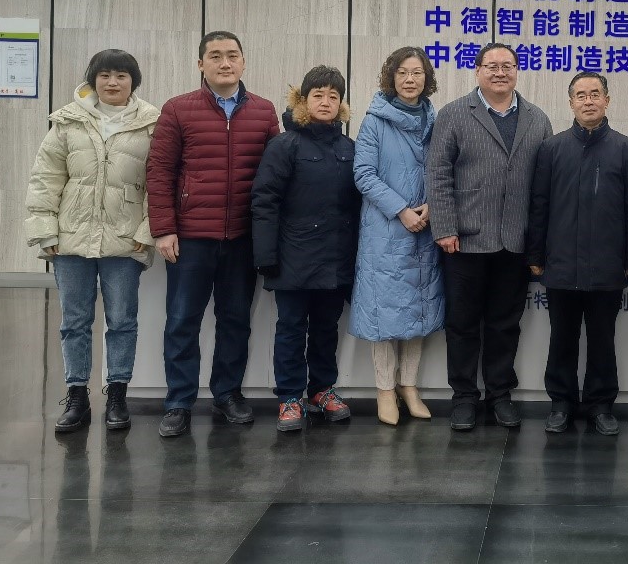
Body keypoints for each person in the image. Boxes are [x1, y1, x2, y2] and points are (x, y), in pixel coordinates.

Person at [146, 31, 279, 438]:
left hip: (242, 238)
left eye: (232, 55)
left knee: (235, 320)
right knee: (182, 321)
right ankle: (179, 402)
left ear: (243, 62)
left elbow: (275, 176)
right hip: (190, 238)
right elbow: (159, 172)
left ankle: (227, 394)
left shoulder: (264, 111)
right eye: (215, 56)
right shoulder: (177, 109)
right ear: (201, 64)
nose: (225, 63)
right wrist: (164, 229)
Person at [25, 49, 160, 432]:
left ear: (133, 81)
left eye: (121, 75)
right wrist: (45, 230)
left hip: (125, 240)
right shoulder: (68, 121)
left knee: (122, 321)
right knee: (75, 321)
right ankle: (77, 396)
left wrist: (147, 231)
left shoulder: (151, 124)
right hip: (72, 237)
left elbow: (159, 181)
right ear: (93, 80)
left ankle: (117, 395)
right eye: (105, 75)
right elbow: (46, 177)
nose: (112, 82)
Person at [426, 42, 553, 431]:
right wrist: (444, 227)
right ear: (478, 70)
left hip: (515, 241)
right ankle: (465, 397)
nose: (500, 72)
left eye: (508, 66)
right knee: (462, 323)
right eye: (492, 66)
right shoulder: (453, 114)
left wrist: (539, 242)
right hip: (464, 240)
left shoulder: (537, 119)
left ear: (517, 71)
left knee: (505, 324)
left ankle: (500, 395)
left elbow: (545, 185)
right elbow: (438, 173)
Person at [527, 71, 628, 436]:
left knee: (602, 340)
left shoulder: (627, 150)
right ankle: (561, 403)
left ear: (607, 100)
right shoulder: (552, 149)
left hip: (608, 265)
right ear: (571, 103)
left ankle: (601, 405)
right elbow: (539, 205)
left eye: (595, 94)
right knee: (561, 338)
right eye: (581, 95)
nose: (588, 101)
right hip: (560, 263)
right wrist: (535, 255)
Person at [251, 66, 360, 432]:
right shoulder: (285, 145)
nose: (326, 102)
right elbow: (264, 201)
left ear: (341, 104)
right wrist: (265, 256)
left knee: (327, 327)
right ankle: (289, 396)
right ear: (303, 100)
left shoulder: (349, 148)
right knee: (291, 328)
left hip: (336, 258)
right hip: (292, 257)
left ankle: (321, 390)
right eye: (318, 95)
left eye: (333, 96)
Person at [351, 47, 444, 426]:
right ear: (391, 77)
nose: (410, 79)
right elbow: (364, 174)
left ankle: (409, 386)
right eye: (403, 72)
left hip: (426, 227)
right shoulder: (375, 120)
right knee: (384, 313)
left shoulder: (435, 120)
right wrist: (402, 210)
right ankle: (385, 391)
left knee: (419, 309)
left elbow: (445, 169)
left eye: (417, 72)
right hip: (386, 230)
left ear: (427, 78)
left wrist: (433, 205)